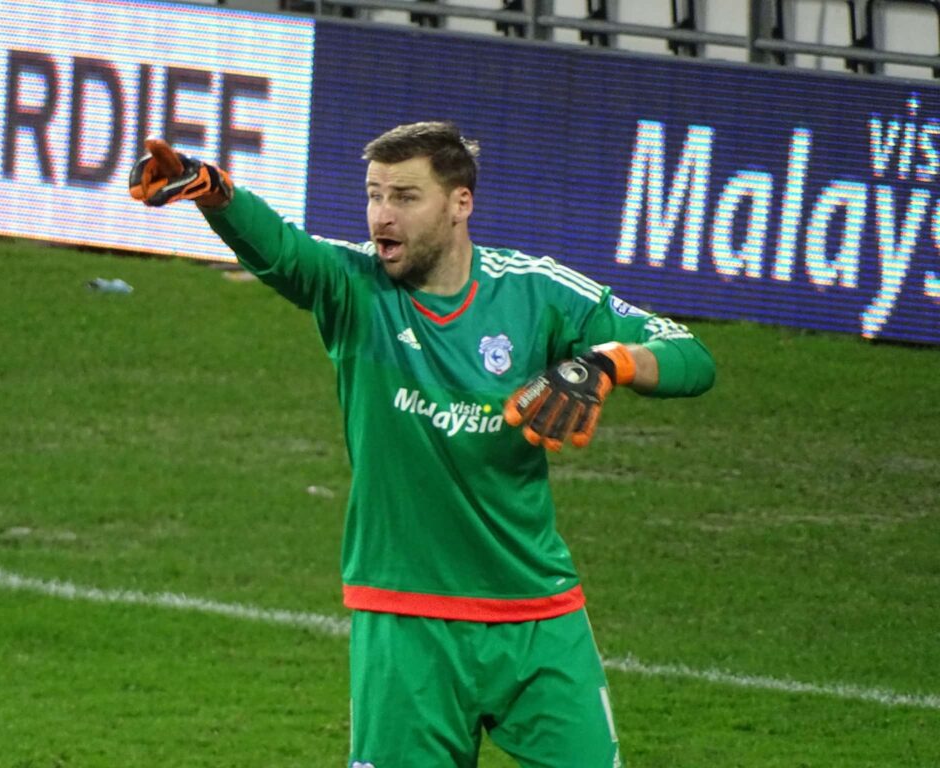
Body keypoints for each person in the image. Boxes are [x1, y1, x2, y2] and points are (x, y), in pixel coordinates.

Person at [130, 121, 715, 767]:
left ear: (460, 202)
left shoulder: (537, 292)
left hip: (538, 616)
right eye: (375, 195)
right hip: (405, 619)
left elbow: (690, 357)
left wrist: (610, 363)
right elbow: (284, 250)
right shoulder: (355, 290)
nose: (383, 215)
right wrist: (216, 194)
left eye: (405, 197)